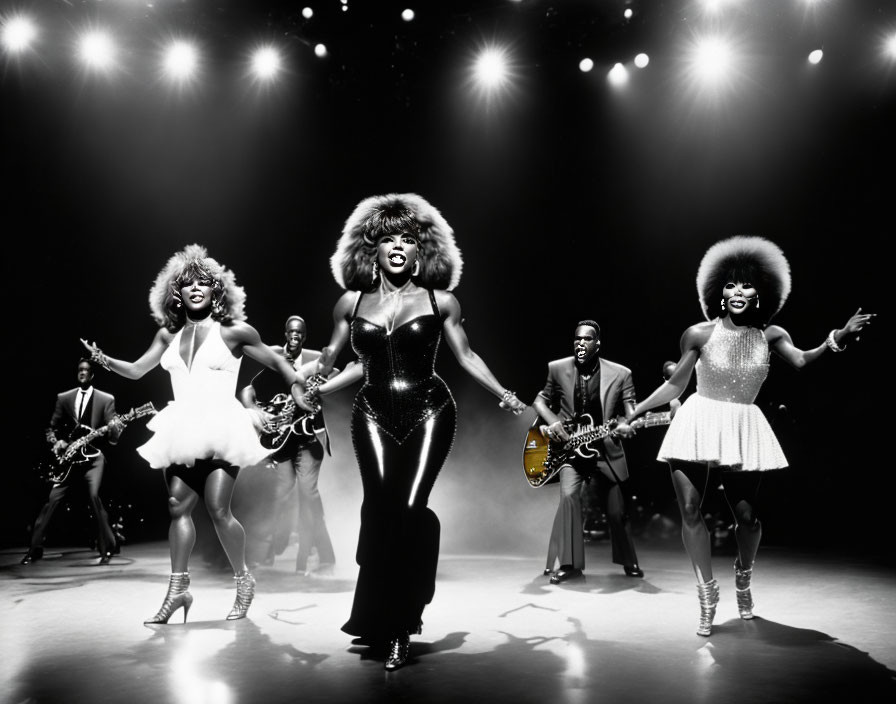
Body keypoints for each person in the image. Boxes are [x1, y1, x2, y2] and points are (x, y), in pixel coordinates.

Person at [305, 192, 526, 671]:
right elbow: (336, 361)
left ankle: (404, 624)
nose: (399, 246)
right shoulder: (351, 302)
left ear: (421, 250)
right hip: (370, 413)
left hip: (429, 410)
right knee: (380, 510)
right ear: (373, 250)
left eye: (407, 238)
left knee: (408, 511)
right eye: (389, 239)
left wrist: (505, 394)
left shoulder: (439, 300)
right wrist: (310, 381)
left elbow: (466, 357)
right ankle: (375, 617)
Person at [626, 235, 875, 636]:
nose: (738, 291)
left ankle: (743, 577)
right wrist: (635, 412)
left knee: (748, 518)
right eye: (730, 284)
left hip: (742, 425)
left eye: (746, 284)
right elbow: (676, 385)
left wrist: (839, 336)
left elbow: (802, 360)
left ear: (760, 293)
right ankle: (707, 595)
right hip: (698, 420)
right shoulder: (698, 335)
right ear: (718, 294)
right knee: (691, 510)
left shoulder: (771, 336)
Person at [80, 244, 302, 624]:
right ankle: (178, 590)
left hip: (221, 427)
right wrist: (104, 360)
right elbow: (136, 371)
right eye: (187, 284)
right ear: (176, 294)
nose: (196, 288)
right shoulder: (168, 335)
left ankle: (243, 580)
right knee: (176, 506)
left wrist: (297, 385)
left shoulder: (234, 332)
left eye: (204, 282)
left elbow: (277, 359)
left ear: (217, 290)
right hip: (182, 428)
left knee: (218, 510)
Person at [533, 320, 644, 584]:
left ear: (597, 344)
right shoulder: (557, 368)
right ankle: (570, 565)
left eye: (586, 339)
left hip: (606, 450)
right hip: (571, 450)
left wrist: (629, 425)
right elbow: (539, 401)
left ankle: (630, 561)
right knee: (569, 499)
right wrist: (553, 422)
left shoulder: (621, 373)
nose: (580, 343)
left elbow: (631, 412)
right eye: (576, 339)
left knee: (617, 512)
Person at [237, 315, 338, 575]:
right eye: (291, 331)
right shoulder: (275, 357)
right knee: (279, 495)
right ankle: (270, 552)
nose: (295, 336)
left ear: (304, 336)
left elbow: (335, 373)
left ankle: (318, 554)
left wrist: (321, 387)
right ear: (285, 333)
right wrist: (256, 412)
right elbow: (247, 390)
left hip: (307, 436)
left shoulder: (314, 356)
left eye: (300, 333)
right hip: (281, 441)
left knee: (308, 494)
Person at [21, 359, 123, 565]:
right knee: (53, 499)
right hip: (69, 459)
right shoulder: (64, 397)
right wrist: (56, 442)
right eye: (80, 370)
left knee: (95, 498)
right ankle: (35, 548)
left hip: (93, 458)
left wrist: (115, 428)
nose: (83, 373)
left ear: (93, 374)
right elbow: (51, 427)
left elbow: (113, 438)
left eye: (86, 370)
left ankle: (108, 548)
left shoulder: (106, 399)